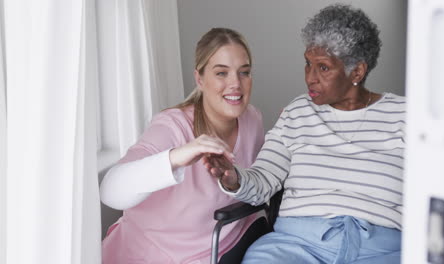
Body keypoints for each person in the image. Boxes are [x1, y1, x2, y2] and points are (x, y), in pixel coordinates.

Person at [204, 4, 406, 264]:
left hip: (381, 251)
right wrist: (234, 178)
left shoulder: (406, 116)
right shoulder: (297, 113)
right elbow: (263, 180)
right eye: (308, 64)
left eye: (323, 68)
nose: (310, 77)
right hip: (296, 246)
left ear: (357, 71)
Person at [100, 28, 266, 264]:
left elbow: (259, 186)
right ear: (200, 79)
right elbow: (110, 192)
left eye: (244, 72)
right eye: (221, 73)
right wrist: (177, 157)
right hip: (150, 255)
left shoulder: (253, 120)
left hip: (224, 251)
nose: (235, 84)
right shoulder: (172, 127)